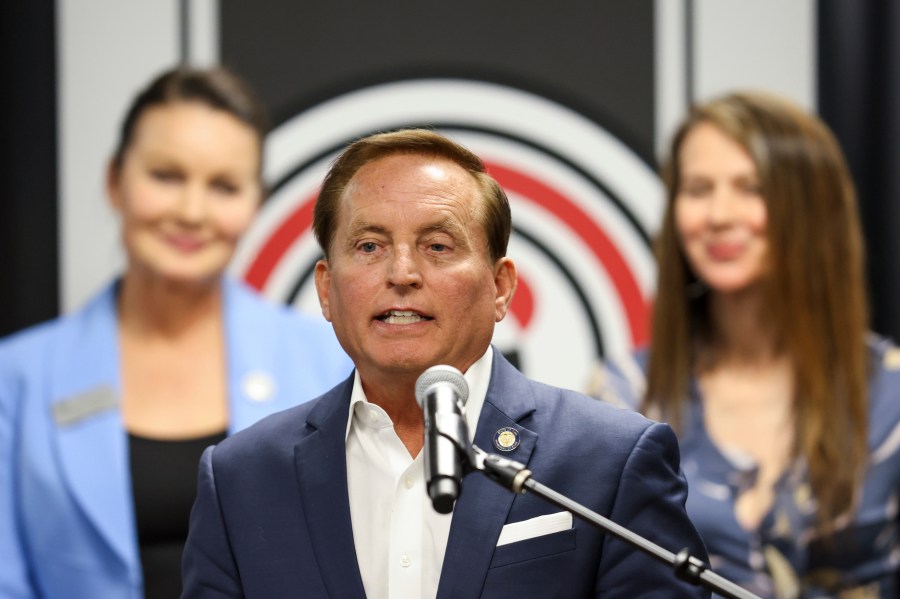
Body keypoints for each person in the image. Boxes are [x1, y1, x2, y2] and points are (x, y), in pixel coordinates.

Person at [180, 128, 710, 598]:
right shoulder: (240, 481)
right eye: (369, 246)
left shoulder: (609, 461)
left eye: (437, 246)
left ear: (500, 288)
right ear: (325, 289)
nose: (403, 272)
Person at [0, 67, 352, 598]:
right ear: (115, 180)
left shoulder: (333, 362)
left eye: (223, 186)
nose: (191, 211)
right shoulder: (15, 380)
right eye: (166, 176)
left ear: (255, 203)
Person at [595, 91, 900, 597]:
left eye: (751, 188)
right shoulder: (627, 393)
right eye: (697, 189)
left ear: (811, 208)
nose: (718, 215)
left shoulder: (890, 394)